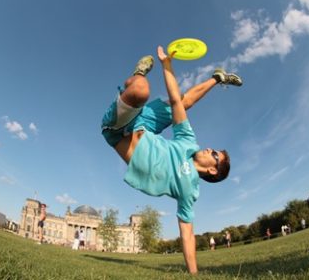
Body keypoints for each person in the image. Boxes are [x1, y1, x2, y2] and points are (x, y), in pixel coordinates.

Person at [101, 46, 242, 274]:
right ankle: (217, 78)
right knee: (183, 103)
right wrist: (167, 65)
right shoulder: (189, 143)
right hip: (146, 124)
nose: (209, 148)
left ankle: (137, 75)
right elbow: (177, 101)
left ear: (213, 171)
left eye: (214, 154)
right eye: (214, 149)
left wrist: (193, 273)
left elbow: (186, 232)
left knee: (140, 90)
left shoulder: (189, 190)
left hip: (118, 131)